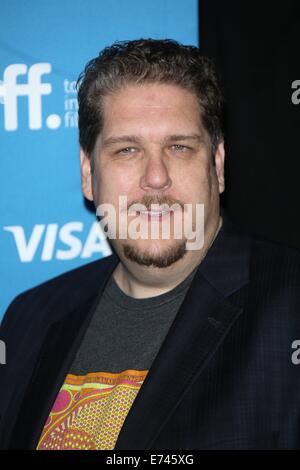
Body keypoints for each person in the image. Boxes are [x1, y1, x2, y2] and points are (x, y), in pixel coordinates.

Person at [0, 38, 300, 451]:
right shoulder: (28, 319)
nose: (156, 177)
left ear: (217, 165)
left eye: (179, 147)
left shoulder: (289, 307)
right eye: (127, 149)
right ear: (88, 174)